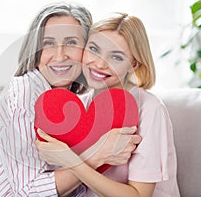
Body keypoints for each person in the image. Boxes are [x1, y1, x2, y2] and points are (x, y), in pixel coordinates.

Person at [0, 3, 141, 196]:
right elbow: (28, 190)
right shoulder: (24, 92)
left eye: (71, 42)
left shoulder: (74, 105)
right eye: (48, 43)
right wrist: (97, 154)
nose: (60, 56)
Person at [36, 12, 180, 196]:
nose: (99, 64)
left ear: (133, 64)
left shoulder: (150, 109)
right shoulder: (80, 105)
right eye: (94, 49)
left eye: (116, 57)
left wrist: (73, 162)